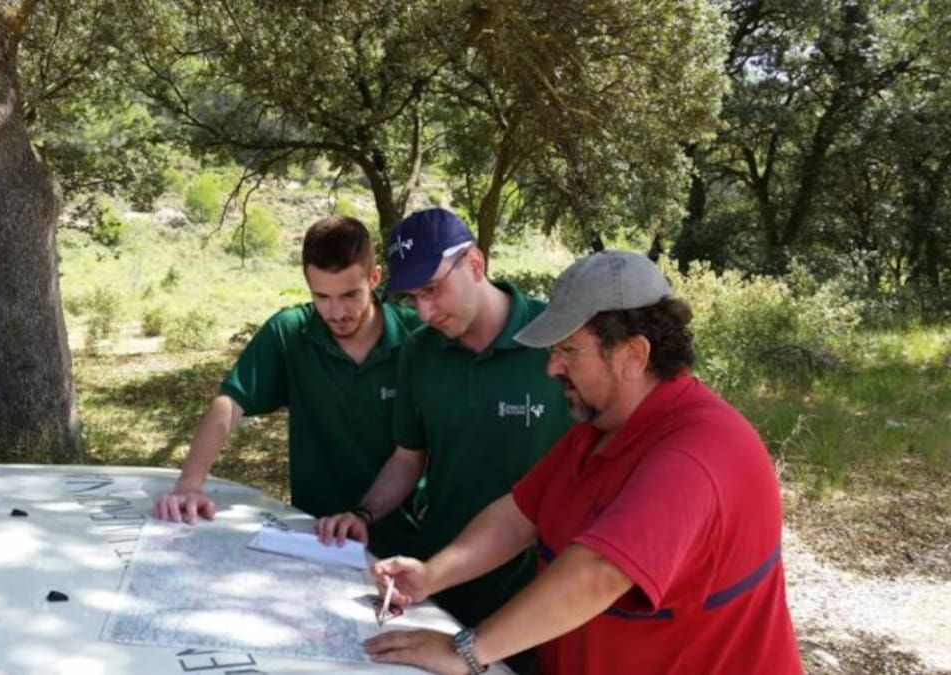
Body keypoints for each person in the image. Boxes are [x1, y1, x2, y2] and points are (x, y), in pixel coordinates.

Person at [362, 250, 804, 675]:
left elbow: (600, 573)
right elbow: (517, 517)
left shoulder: (699, 450)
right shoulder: (599, 429)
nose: (552, 368)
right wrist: (429, 576)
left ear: (634, 355)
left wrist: (468, 651)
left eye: (568, 351)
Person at [316, 208, 573, 633]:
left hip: (541, 589)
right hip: (443, 578)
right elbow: (408, 456)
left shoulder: (556, 338)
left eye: (433, 289)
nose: (425, 310)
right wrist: (363, 513)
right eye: (413, 298)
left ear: (475, 263)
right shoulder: (418, 354)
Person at [152, 215, 422, 558]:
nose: (337, 312)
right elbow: (230, 403)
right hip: (320, 537)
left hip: (412, 541)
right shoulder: (290, 333)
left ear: (375, 278)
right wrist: (190, 484)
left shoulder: (420, 338)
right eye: (322, 296)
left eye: (350, 294)